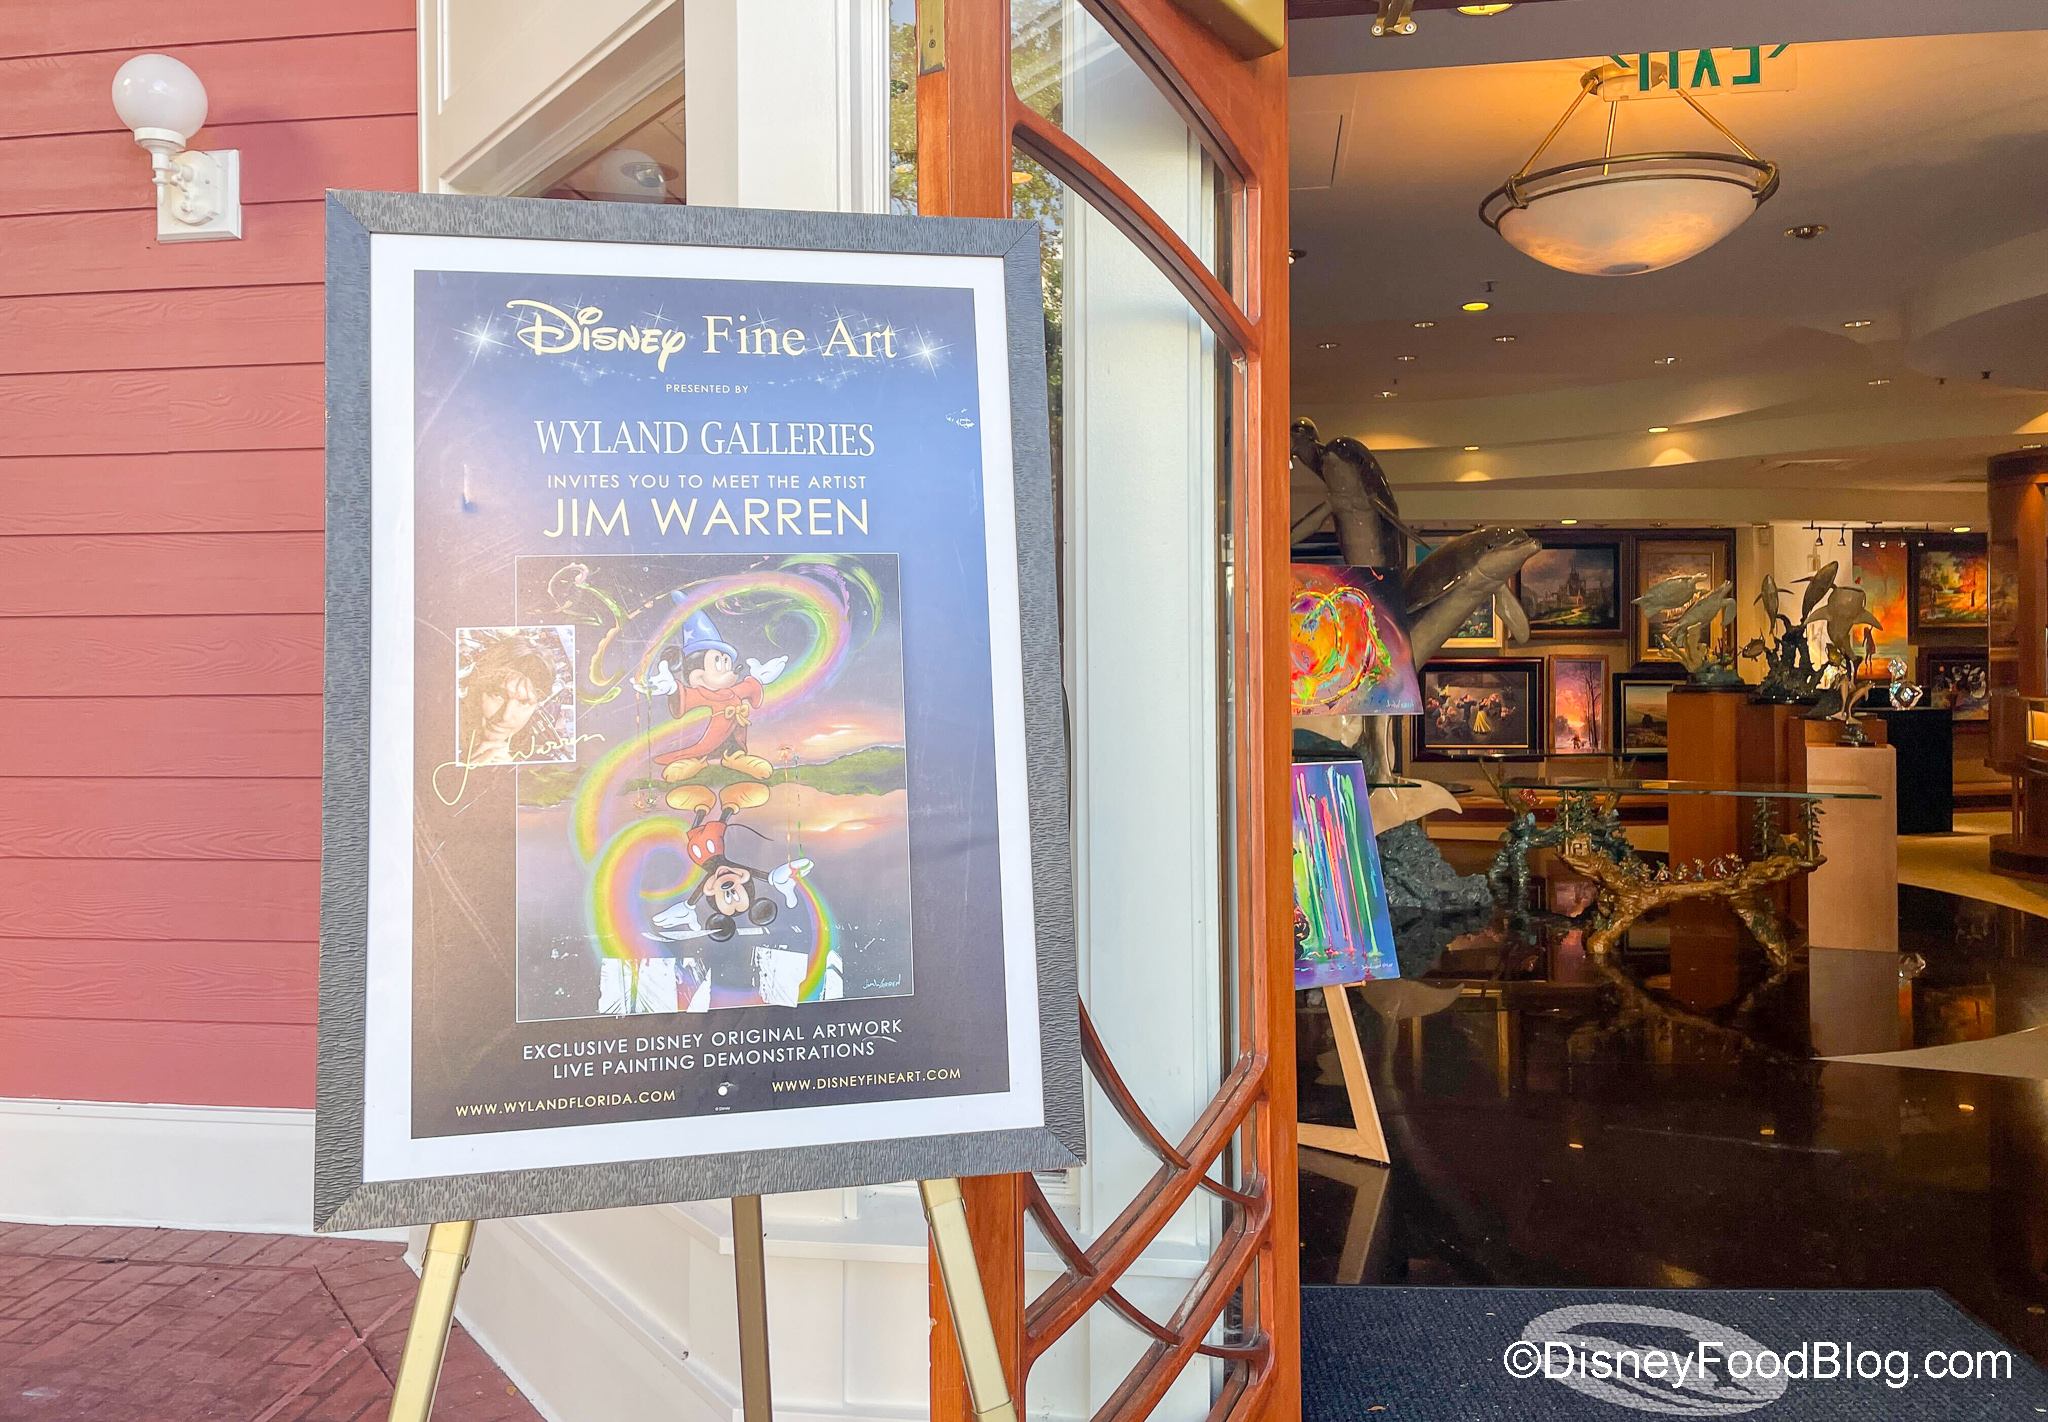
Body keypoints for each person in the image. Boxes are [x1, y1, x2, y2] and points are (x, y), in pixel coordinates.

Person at [640, 610, 788, 810]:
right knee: (689, 762)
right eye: (719, 662)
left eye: (727, 662)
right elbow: (684, 697)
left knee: (742, 757)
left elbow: (748, 687)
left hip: (733, 742)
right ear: (697, 674)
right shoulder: (700, 694)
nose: (729, 669)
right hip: (703, 745)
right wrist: (671, 688)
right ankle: (696, 763)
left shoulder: (732, 692)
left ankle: (734, 760)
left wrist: (760, 678)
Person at [458, 632, 561, 765]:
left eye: (524, 702)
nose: (505, 716)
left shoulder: (538, 761)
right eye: (498, 695)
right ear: (476, 688)